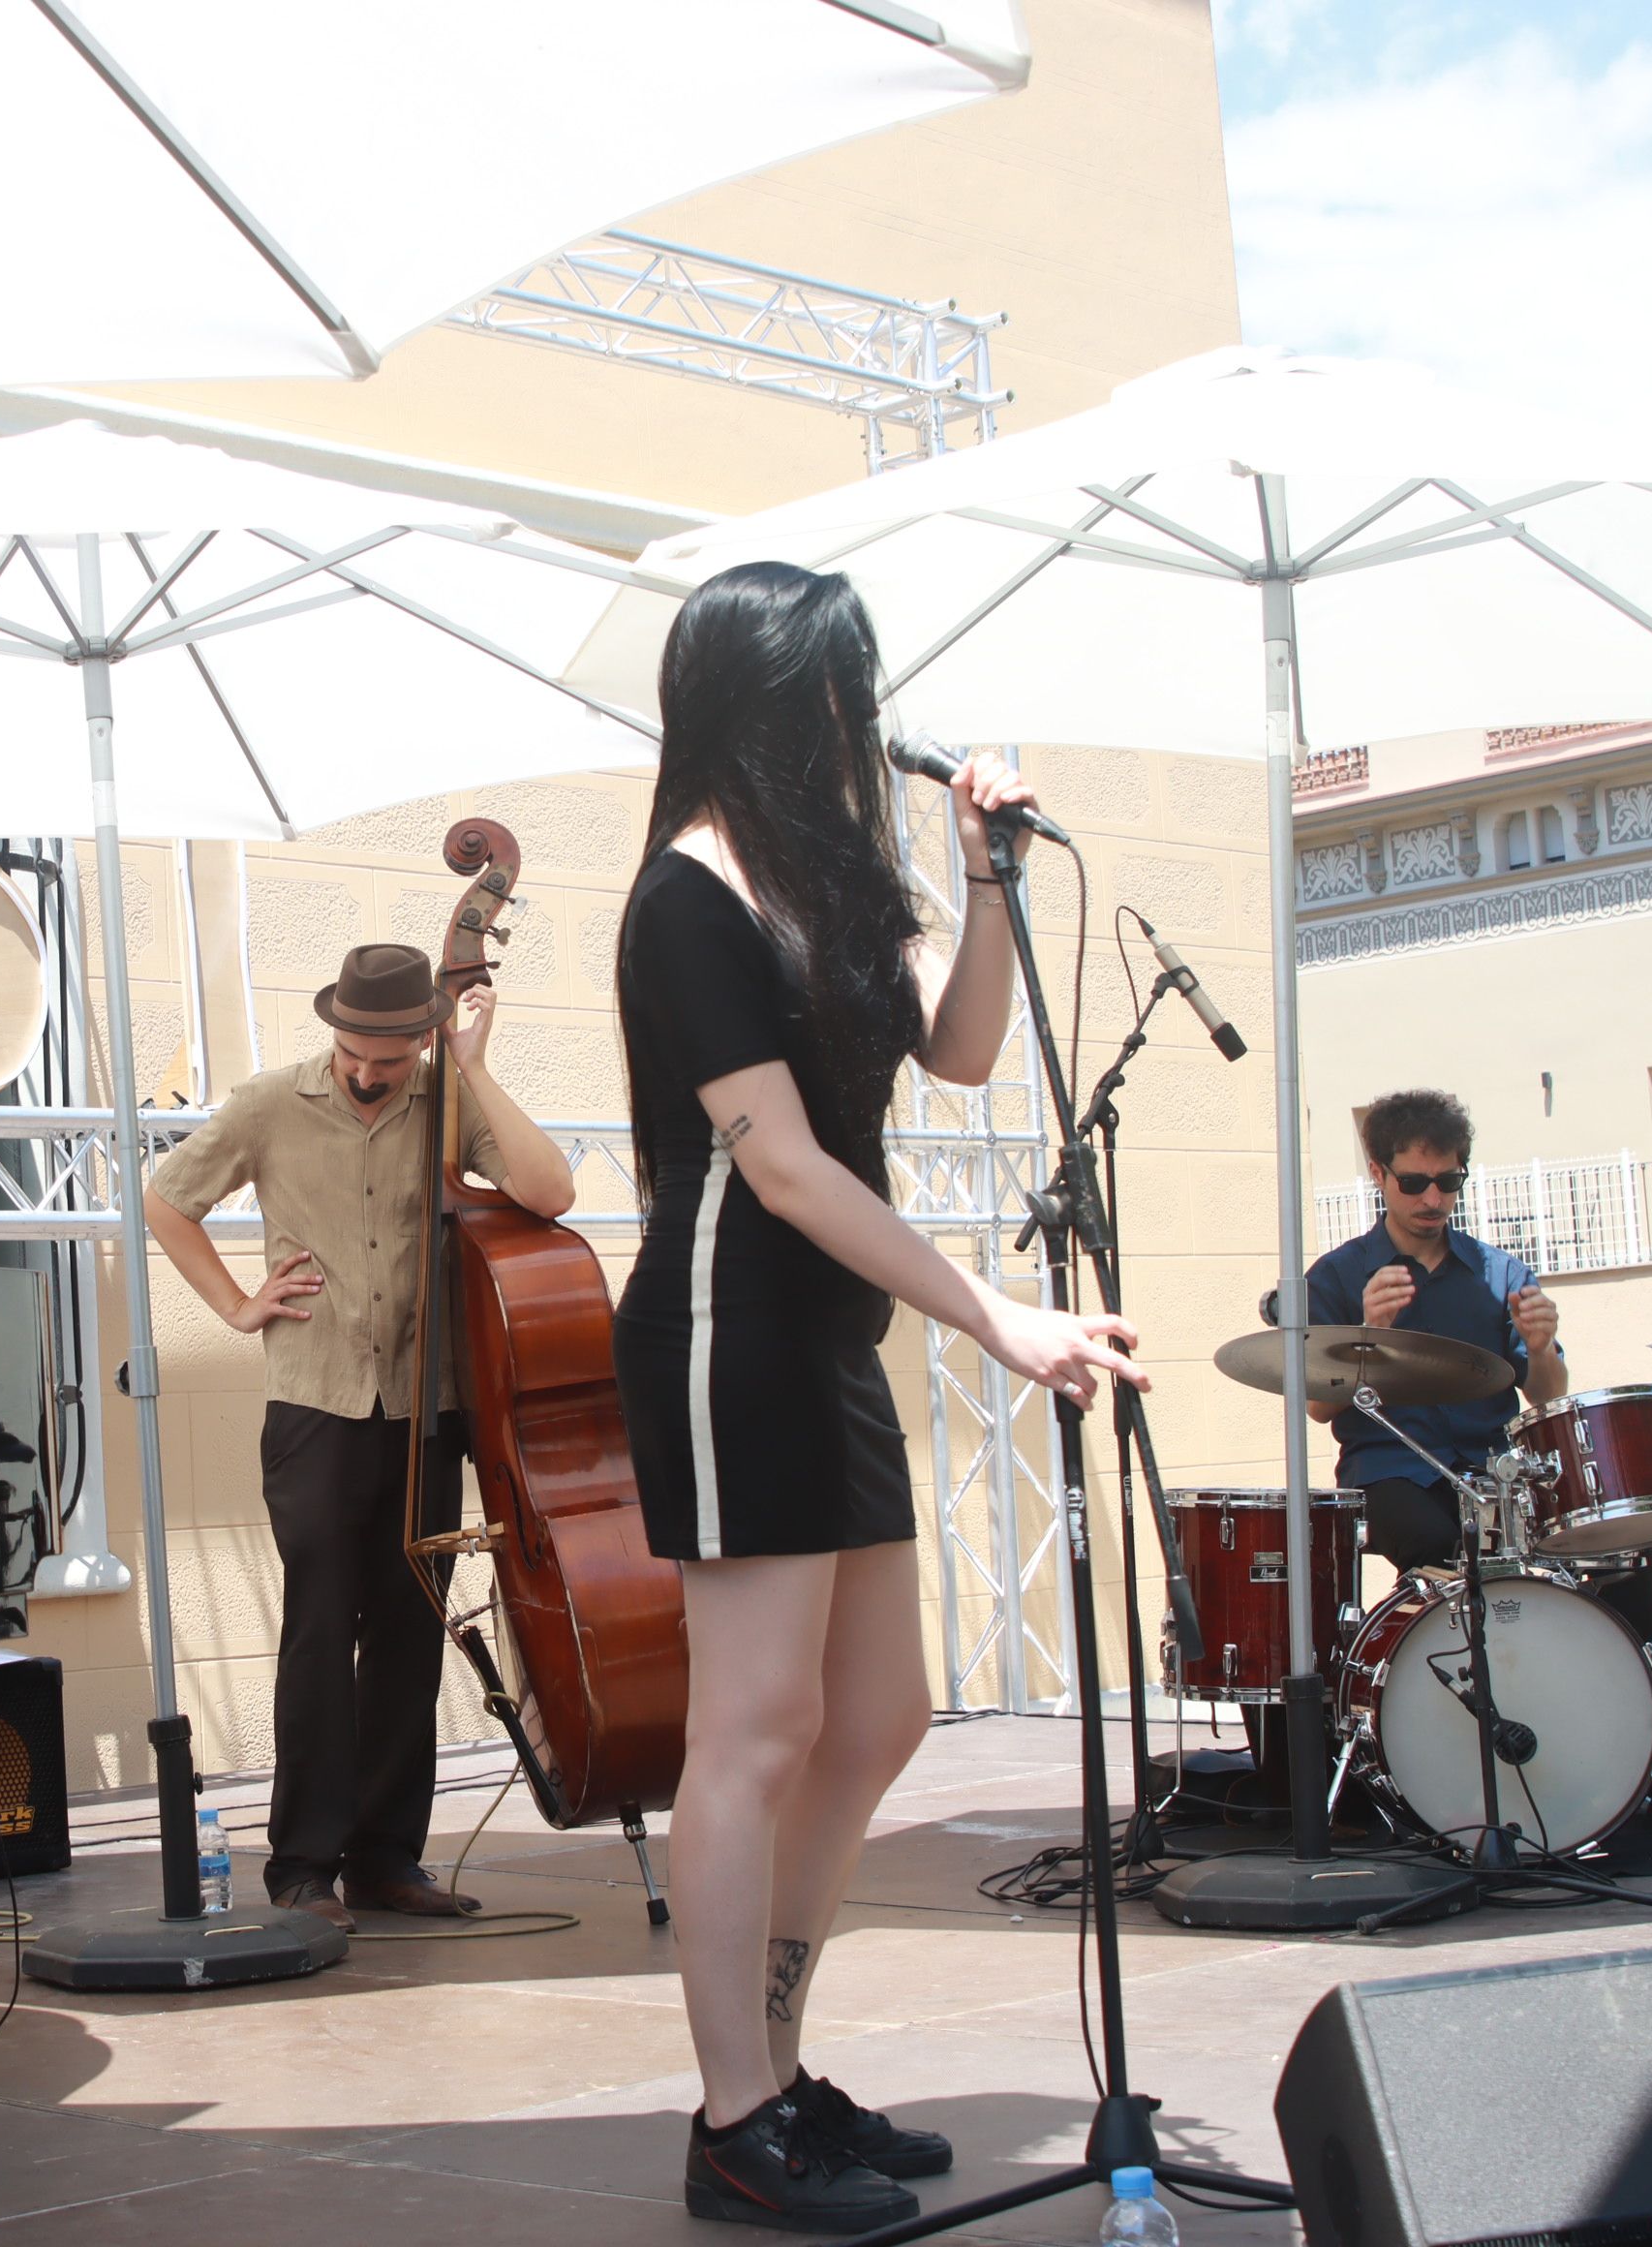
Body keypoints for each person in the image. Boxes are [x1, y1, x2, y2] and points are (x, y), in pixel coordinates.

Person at [611, 564, 1146, 2234]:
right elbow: (772, 1163)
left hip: (825, 1335)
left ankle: (774, 2064)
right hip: (725, 1328)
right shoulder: (685, 898)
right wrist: (996, 1316)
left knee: (879, 1715)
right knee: (755, 1727)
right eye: (840, 684)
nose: (864, 713)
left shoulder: (832, 876)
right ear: (777, 699)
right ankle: (730, 2117)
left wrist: (984, 877)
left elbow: (967, 1049)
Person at [143, 941, 576, 1929]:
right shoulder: (266, 1104)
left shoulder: (449, 1101)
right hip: (316, 1411)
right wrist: (235, 1305)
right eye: (353, 1052)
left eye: (390, 1056)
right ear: (332, 1028)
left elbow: (548, 1191)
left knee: (407, 1640)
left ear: (423, 1036)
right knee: (316, 1636)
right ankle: (301, 1867)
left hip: (428, 1414)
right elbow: (168, 1200)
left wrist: (471, 1067)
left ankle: (387, 1858)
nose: (369, 1072)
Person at [1298, 1091, 1638, 1638]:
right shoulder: (1337, 1277)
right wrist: (1369, 1334)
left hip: (1495, 1471)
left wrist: (1542, 1344)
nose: (1433, 1198)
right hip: (1391, 1472)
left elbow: (1547, 1397)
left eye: (1448, 1181)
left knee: (1617, 1558)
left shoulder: (1500, 1272)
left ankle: (1644, 1711)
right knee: (1448, 1550)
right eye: (1414, 1182)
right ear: (1378, 1174)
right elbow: (1318, 1407)